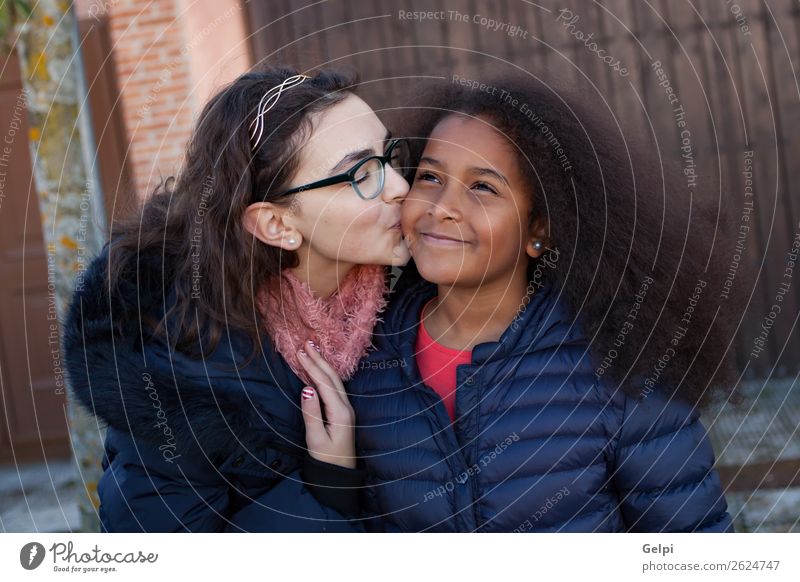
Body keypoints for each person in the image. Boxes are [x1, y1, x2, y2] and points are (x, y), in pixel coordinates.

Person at [344, 72, 745, 532]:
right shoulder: (367, 361)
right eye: (430, 177)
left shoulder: (617, 365)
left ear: (540, 230)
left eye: (483, 187)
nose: (441, 206)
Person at [62, 65, 410, 532]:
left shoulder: (407, 301)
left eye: (389, 155)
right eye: (360, 173)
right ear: (277, 225)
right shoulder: (181, 363)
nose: (401, 187)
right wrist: (329, 486)